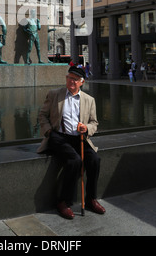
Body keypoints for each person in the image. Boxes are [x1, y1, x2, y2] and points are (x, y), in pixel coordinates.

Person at [37, 66, 105, 220]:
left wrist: (86, 128)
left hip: (80, 138)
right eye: (69, 77)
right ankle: (63, 201)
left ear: (82, 82)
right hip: (59, 137)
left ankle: (91, 199)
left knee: (95, 159)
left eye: (75, 79)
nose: (71, 81)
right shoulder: (55, 94)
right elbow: (42, 116)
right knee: (75, 161)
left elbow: (94, 123)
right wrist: (48, 132)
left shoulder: (89, 100)